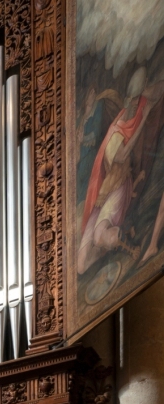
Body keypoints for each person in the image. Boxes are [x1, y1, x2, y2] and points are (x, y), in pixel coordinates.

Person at [78, 67, 164, 274]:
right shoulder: (121, 119)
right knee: (80, 266)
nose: (135, 102)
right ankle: (112, 241)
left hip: (118, 186)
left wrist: (144, 110)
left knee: (99, 236)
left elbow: (123, 156)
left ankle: (120, 242)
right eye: (133, 99)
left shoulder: (138, 109)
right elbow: (120, 153)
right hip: (104, 193)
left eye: (137, 99)